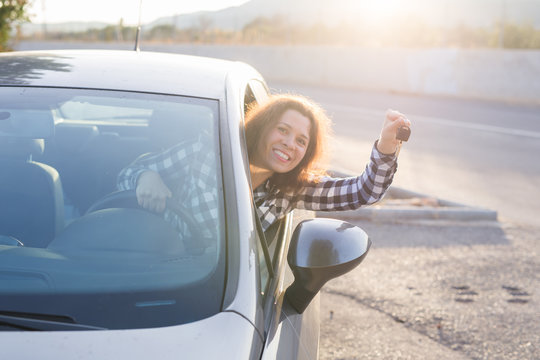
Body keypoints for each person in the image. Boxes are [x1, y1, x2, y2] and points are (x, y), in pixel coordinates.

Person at [117, 94, 410, 240]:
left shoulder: (293, 190)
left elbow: (364, 192)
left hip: (229, 299)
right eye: (282, 130)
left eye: (300, 140)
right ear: (262, 127)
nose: (289, 144)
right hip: (159, 267)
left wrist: (386, 145)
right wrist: (147, 176)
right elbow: (125, 176)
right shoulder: (205, 153)